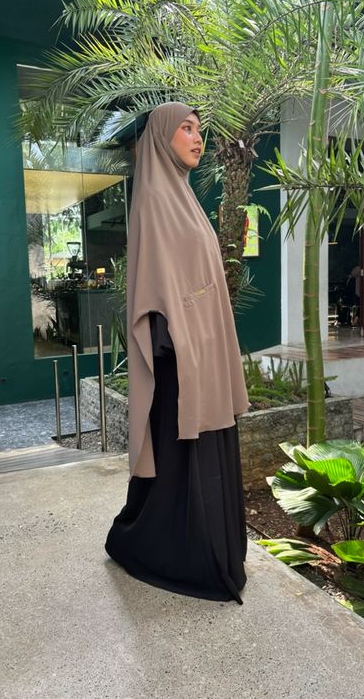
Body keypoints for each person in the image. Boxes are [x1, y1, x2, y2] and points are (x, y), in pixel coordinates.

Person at [104, 102, 251, 605]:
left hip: (202, 352)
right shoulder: (153, 200)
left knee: (200, 449)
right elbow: (156, 288)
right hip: (179, 360)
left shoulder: (184, 198)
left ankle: (208, 549)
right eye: (186, 129)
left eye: (200, 130)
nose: (197, 138)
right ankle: (181, 554)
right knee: (182, 453)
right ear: (162, 138)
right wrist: (183, 340)